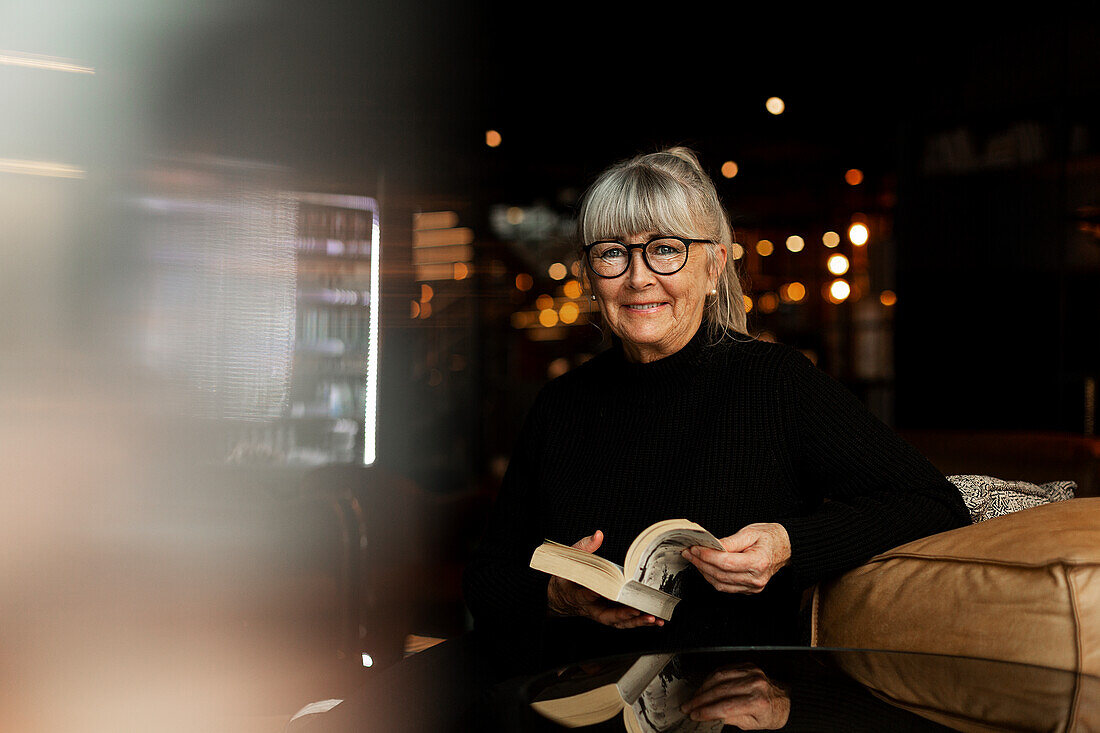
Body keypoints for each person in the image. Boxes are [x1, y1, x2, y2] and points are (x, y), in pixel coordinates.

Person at [461, 146, 971, 662]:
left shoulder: (776, 383)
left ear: (714, 268)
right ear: (591, 275)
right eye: (613, 252)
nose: (638, 277)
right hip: (582, 699)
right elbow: (486, 577)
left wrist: (789, 544)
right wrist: (557, 596)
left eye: (665, 249)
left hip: (739, 701)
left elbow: (933, 502)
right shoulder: (560, 404)